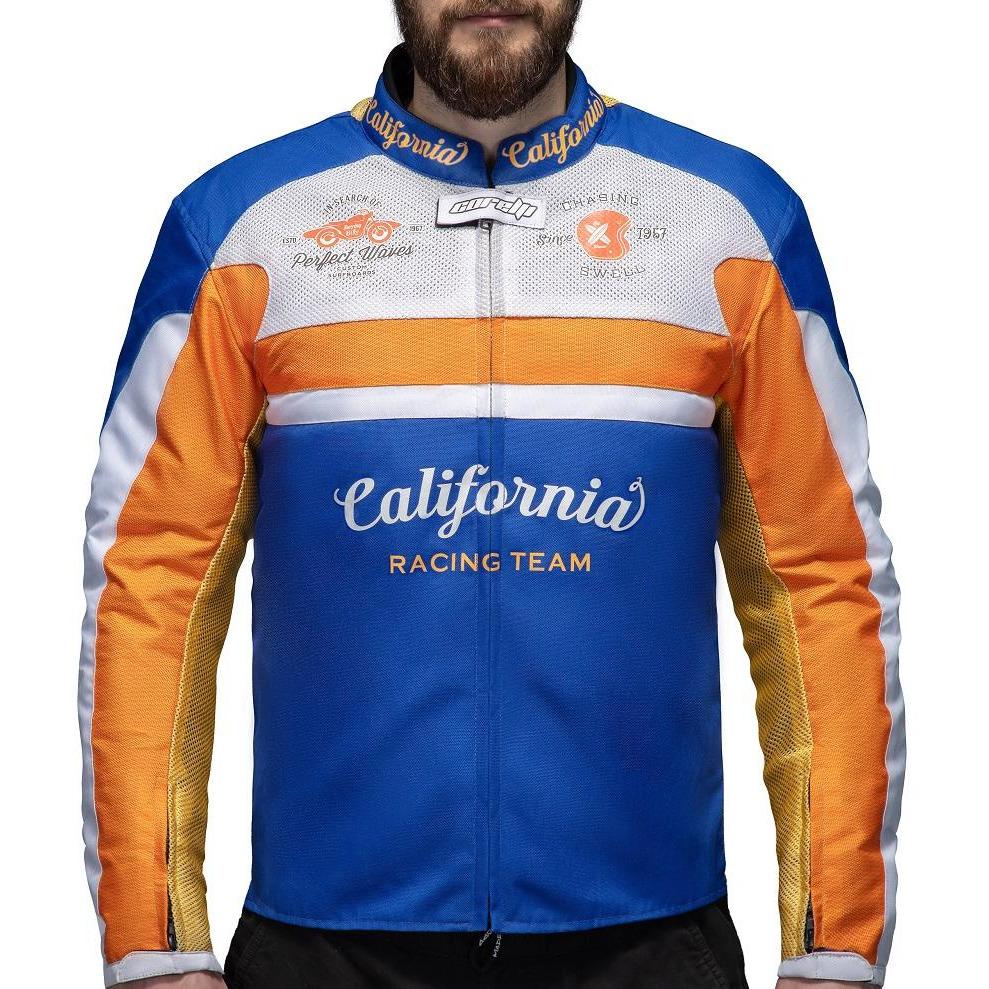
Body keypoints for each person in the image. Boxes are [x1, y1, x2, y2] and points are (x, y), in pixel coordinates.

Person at [78, 1, 905, 986]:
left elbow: (820, 579)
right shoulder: (243, 226)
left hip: (647, 941)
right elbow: (152, 581)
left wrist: (833, 941)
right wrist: (153, 940)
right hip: (324, 945)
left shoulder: (727, 221)